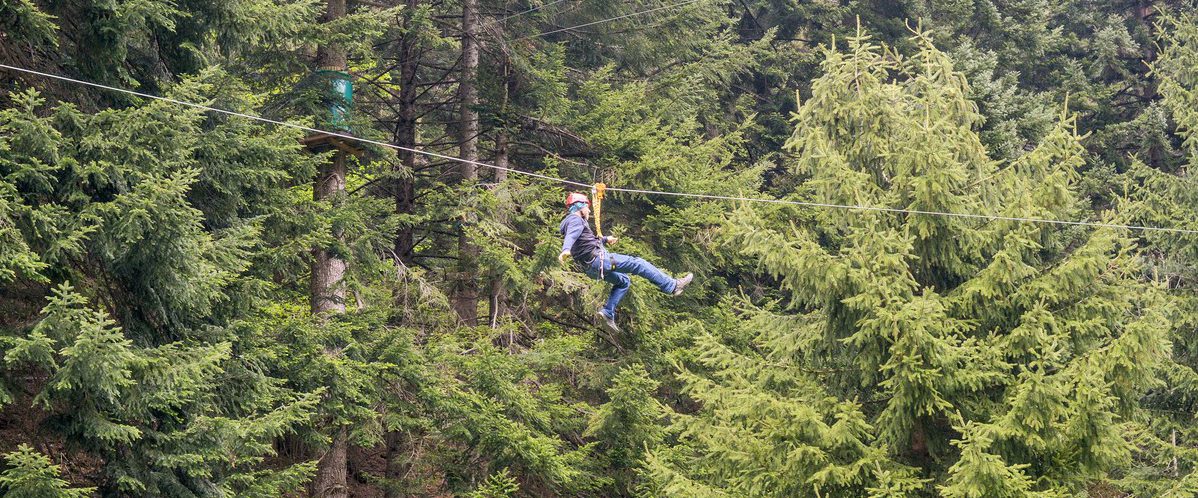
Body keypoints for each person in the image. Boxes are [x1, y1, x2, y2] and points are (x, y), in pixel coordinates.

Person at [558, 192, 693, 333]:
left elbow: (585, 242)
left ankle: (608, 312)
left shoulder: (574, 222)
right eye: (587, 207)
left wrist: (605, 240)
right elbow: (572, 235)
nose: (589, 210)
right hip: (599, 261)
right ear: (579, 206)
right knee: (638, 263)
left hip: (591, 268)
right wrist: (565, 249)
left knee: (624, 281)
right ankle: (672, 286)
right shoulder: (575, 220)